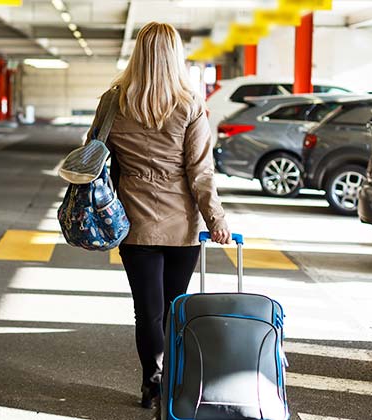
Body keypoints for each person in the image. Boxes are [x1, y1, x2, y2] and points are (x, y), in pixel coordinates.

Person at [88, 22, 231, 409]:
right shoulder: (190, 105)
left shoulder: (113, 101)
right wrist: (216, 220)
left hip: (133, 223)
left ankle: (151, 384)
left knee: (147, 312)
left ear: (139, 54)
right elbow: (201, 173)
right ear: (175, 56)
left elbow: (93, 159)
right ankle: (173, 383)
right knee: (174, 308)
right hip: (181, 224)